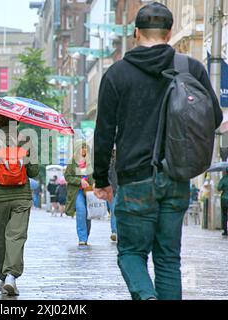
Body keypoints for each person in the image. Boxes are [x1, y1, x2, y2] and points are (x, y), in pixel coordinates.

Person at [92, 2, 222, 300]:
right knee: (168, 258)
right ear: (169, 32)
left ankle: (146, 296)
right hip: (176, 177)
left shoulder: (117, 74)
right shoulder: (191, 68)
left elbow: (104, 133)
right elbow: (213, 117)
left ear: (135, 33)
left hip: (135, 179)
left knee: (131, 254)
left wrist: (101, 180)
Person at [0, 114, 39, 296]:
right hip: (21, 195)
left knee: (1, 236)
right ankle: (11, 276)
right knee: (16, 236)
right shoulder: (26, 139)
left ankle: (4, 275)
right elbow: (34, 171)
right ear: (17, 121)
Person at [65, 142, 94, 246]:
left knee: (88, 214)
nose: (84, 150)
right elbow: (67, 177)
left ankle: (86, 236)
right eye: (82, 148)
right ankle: (82, 238)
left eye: (85, 148)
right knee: (81, 211)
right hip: (77, 191)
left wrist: (95, 183)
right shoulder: (72, 162)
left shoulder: (90, 162)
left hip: (90, 191)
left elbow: (96, 175)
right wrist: (79, 181)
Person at [108, 150, 118, 242]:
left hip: (122, 187)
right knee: (114, 210)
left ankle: (120, 231)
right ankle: (114, 231)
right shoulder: (108, 161)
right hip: (112, 189)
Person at [218, 170, 228, 236]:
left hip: (224, 199)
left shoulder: (223, 179)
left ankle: (225, 231)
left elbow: (219, 188)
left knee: (224, 215)